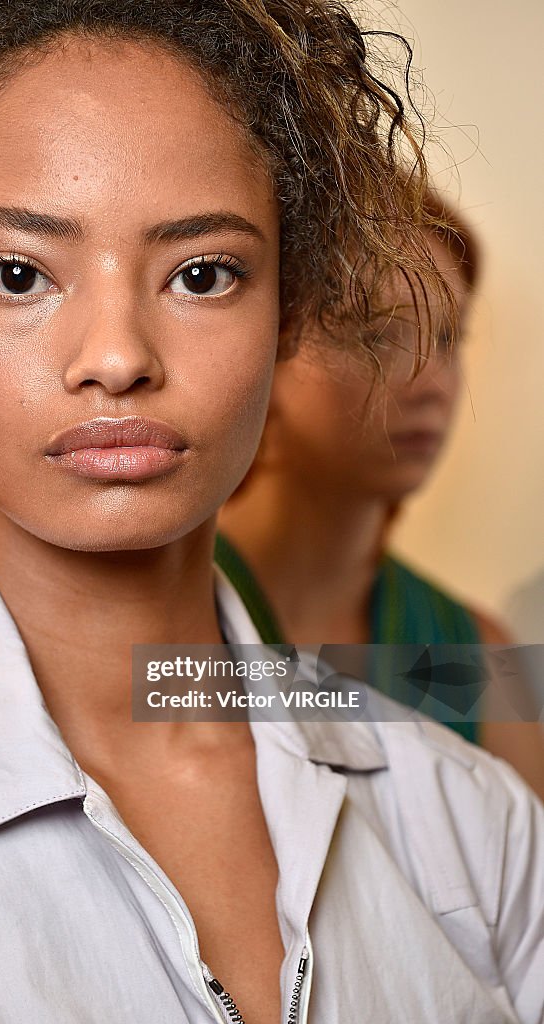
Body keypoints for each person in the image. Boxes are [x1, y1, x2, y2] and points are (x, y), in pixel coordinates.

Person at [0, 3, 541, 1023]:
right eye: (18, 274)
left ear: (289, 307)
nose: (117, 356)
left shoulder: (472, 819)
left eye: (201, 274)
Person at [217, 197, 544, 796]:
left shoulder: (471, 655)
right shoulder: (153, 607)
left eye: (448, 339)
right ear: (263, 345)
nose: (433, 381)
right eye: (376, 337)